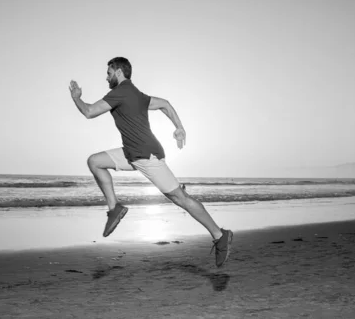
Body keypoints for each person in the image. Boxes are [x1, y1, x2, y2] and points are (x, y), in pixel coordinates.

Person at [69, 57, 233, 268]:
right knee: (95, 161)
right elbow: (164, 104)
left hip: (146, 156)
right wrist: (179, 126)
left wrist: (76, 98)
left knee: (180, 197)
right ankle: (115, 209)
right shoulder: (136, 94)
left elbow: (89, 111)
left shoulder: (122, 91)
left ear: (119, 72)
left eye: (109, 72)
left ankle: (220, 235)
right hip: (131, 153)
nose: (106, 77)